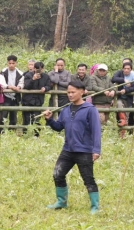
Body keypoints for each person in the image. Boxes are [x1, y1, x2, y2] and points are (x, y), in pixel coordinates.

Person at [42, 78, 102, 213]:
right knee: (57, 173)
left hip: (84, 150)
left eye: (73, 92)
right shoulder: (66, 110)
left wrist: (96, 150)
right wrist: (50, 119)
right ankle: (61, 202)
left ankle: (95, 206)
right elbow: (58, 127)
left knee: (88, 179)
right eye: (68, 92)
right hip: (68, 149)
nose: (70, 95)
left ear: (82, 92)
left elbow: (96, 131)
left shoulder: (90, 110)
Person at [21, 61, 50, 134]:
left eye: (40, 69)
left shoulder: (46, 76)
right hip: (27, 100)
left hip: (38, 101)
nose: (38, 71)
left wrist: (45, 88)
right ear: (34, 68)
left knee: (37, 118)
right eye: (36, 69)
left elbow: (49, 85)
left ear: (43, 69)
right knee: (26, 119)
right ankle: (25, 134)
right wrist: (33, 79)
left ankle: (36, 135)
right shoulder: (28, 75)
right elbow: (26, 86)